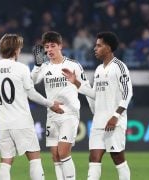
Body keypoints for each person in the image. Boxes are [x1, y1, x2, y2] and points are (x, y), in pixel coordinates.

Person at [0, 33, 64, 180]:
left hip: (4, 123)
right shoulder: (21, 68)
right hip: (21, 121)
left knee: (5, 161)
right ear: (16, 49)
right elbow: (32, 94)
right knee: (35, 158)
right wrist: (51, 104)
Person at [62, 31, 133, 180]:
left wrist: (115, 116)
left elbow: (128, 93)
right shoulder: (99, 69)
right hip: (99, 121)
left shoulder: (120, 67)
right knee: (94, 158)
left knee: (117, 158)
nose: (95, 48)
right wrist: (76, 82)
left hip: (114, 121)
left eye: (99, 45)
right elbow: (95, 94)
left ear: (108, 48)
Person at [31, 31, 89, 180]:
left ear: (60, 46)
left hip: (69, 114)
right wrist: (37, 65)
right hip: (52, 114)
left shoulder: (73, 65)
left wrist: (76, 82)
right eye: (46, 47)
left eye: (52, 46)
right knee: (55, 155)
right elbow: (32, 81)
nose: (49, 50)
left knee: (63, 152)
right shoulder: (44, 67)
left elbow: (85, 86)